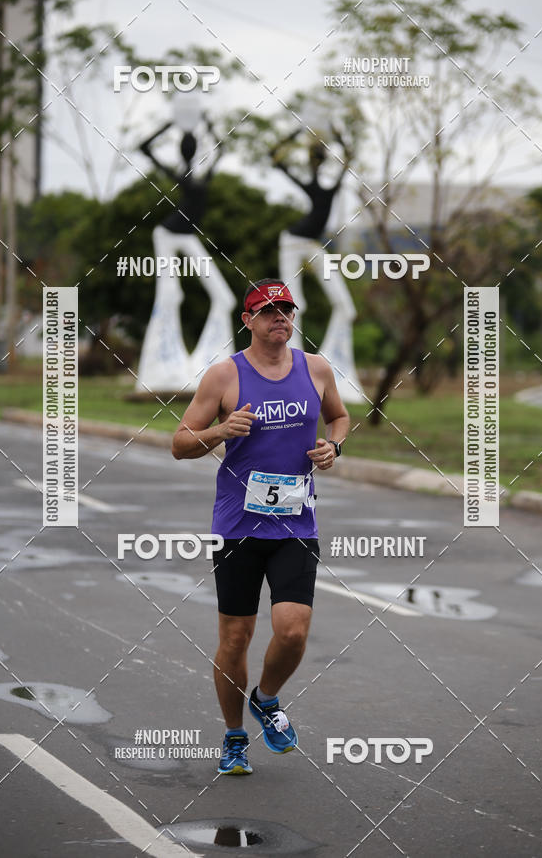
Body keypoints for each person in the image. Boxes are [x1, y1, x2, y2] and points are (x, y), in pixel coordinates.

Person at [172, 278, 350, 774]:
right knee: (236, 638)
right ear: (247, 321)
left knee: (292, 632)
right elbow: (180, 443)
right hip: (238, 528)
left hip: (296, 523)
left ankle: (266, 699)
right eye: (269, 311)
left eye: (287, 310)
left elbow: (340, 417)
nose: (281, 318)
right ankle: (233, 738)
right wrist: (219, 431)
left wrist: (333, 447)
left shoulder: (316, 369)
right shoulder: (224, 377)